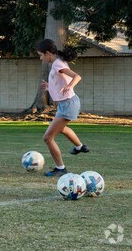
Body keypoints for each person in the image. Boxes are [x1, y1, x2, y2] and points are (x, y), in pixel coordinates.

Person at [36, 39, 89, 177]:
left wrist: (70, 86)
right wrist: (49, 87)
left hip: (68, 104)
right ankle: (80, 146)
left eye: (41, 55)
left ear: (48, 53)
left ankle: (61, 168)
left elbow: (77, 76)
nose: (41, 58)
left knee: (48, 138)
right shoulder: (57, 62)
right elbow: (60, 81)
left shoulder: (57, 64)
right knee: (62, 128)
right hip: (66, 104)